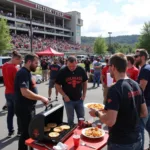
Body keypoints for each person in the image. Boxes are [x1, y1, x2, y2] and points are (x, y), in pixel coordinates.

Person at [89, 53, 148, 150]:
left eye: (109, 66)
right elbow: (144, 113)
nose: (108, 69)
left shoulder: (115, 88)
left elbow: (110, 121)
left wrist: (96, 113)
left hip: (120, 143)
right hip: (137, 139)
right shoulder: (136, 84)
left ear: (113, 67)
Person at [14, 54, 49, 150]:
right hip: (23, 108)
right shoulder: (22, 73)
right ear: (29, 62)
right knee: (25, 134)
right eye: (36, 63)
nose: (37, 65)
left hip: (29, 107)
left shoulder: (28, 72)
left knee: (30, 132)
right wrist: (41, 98)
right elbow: (25, 92)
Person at [55, 56, 88, 125]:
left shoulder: (81, 70)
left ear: (77, 63)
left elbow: (85, 82)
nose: (71, 68)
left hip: (79, 99)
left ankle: (81, 132)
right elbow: (57, 85)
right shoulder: (62, 71)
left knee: (81, 118)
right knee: (70, 120)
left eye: (73, 66)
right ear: (67, 63)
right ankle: (71, 133)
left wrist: (84, 94)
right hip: (68, 100)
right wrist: (64, 95)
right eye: (69, 66)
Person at [2, 51, 22, 138]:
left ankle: (10, 131)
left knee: (10, 113)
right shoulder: (14, 68)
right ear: (15, 59)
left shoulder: (4, 65)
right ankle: (19, 131)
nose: (19, 63)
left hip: (7, 92)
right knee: (18, 113)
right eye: (19, 61)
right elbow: (17, 82)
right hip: (14, 93)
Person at [134, 49, 150, 150]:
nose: (135, 58)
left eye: (136, 56)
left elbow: (141, 89)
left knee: (139, 128)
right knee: (148, 126)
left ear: (143, 57)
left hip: (145, 104)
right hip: (149, 103)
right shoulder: (146, 68)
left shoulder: (145, 69)